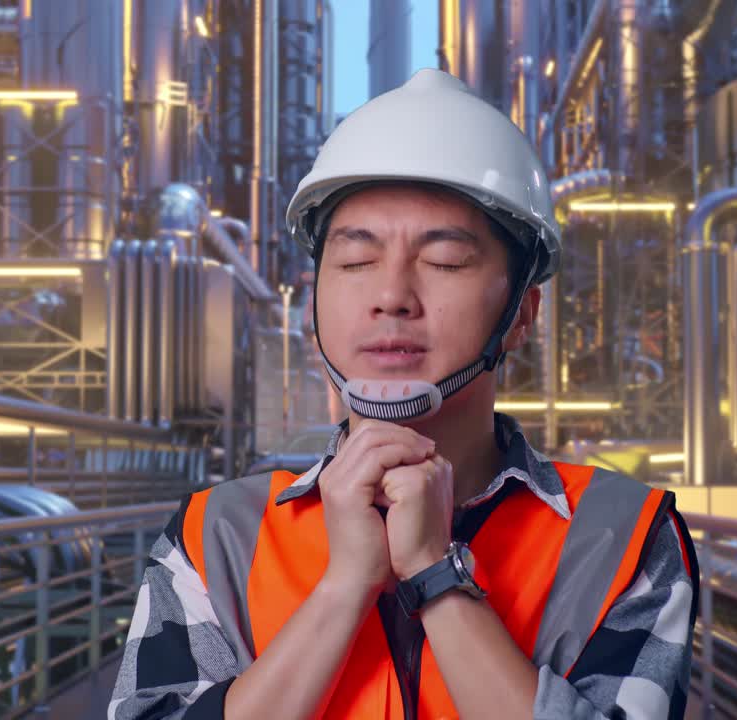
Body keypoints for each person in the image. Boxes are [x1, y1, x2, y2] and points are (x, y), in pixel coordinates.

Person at [109, 68, 700, 720]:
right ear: (315, 300)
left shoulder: (622, 537)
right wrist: (343, 588)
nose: (391, 296)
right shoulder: (217, 535)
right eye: (355, 262)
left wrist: (435, 573)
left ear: (523, 315)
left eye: (445, 261)